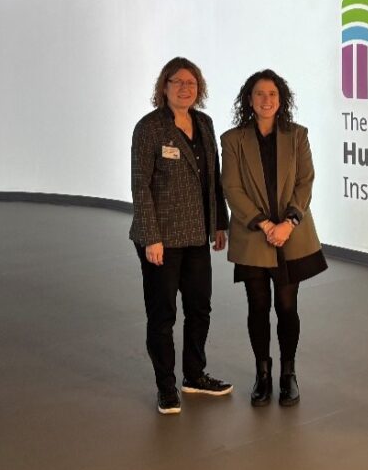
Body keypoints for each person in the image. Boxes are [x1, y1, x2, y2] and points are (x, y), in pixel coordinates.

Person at [130, 57, 232, 415]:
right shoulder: (149, 128)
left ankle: (194, 375)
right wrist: (151, 236)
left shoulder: (204, 123)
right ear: (164, 87)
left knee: (199, 309)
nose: (185, 88)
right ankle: (166, 387)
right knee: (162, 315)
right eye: (178, 82)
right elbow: (140, 186)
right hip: (161, 239)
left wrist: (220, 223)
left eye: (192, 82)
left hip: (197, 236)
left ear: (199, 88)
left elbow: (213, 180)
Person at [221, 69, 327, 407]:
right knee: (258, 306)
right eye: (259, 94)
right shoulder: (233, 139)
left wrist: (288, 222)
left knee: (286, 306)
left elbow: (305, 181)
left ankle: (288, 374)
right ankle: (262, 374)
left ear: (281, 100)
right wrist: (265, 225)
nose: (266, 100)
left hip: (291, 235)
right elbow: (232, 188)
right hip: (254, 235)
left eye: (272, 94)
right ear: (249, 100)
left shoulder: (297, 136)